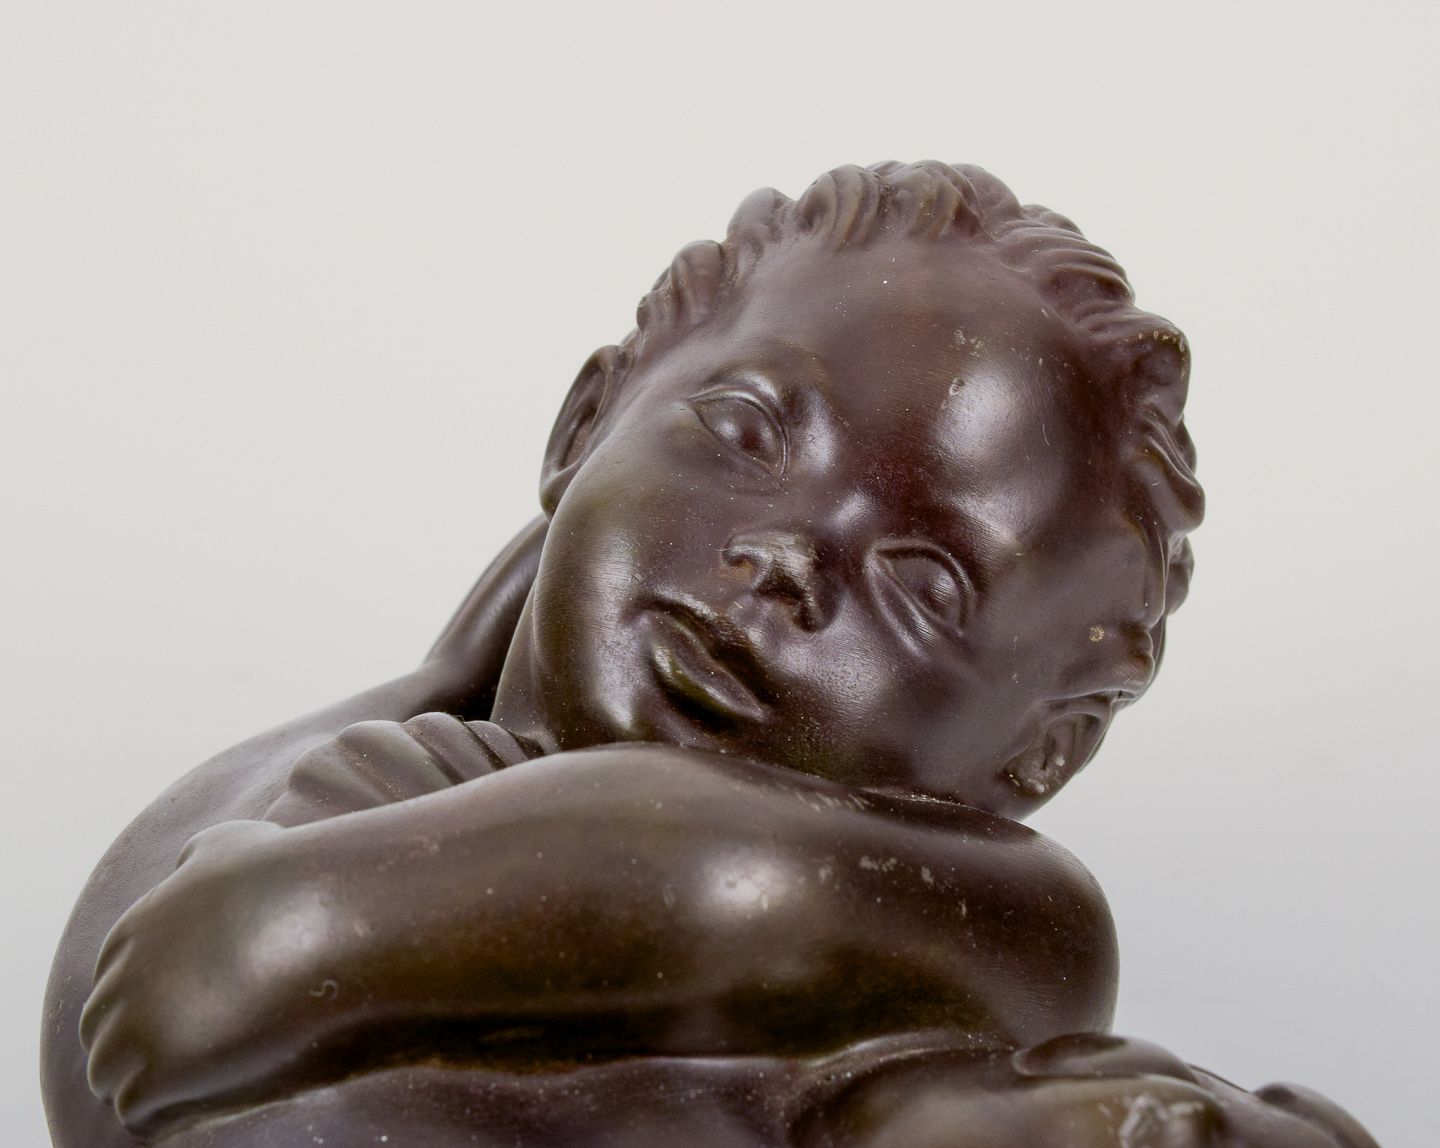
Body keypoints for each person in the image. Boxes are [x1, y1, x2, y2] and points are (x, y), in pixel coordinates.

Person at [45, 163, 1375, 1147]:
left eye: (922, 586)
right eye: (744, 434)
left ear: (1039, 756)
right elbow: (198, 981)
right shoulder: (388, 784)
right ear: (584, 423)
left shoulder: (936, 985)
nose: (786, 561)